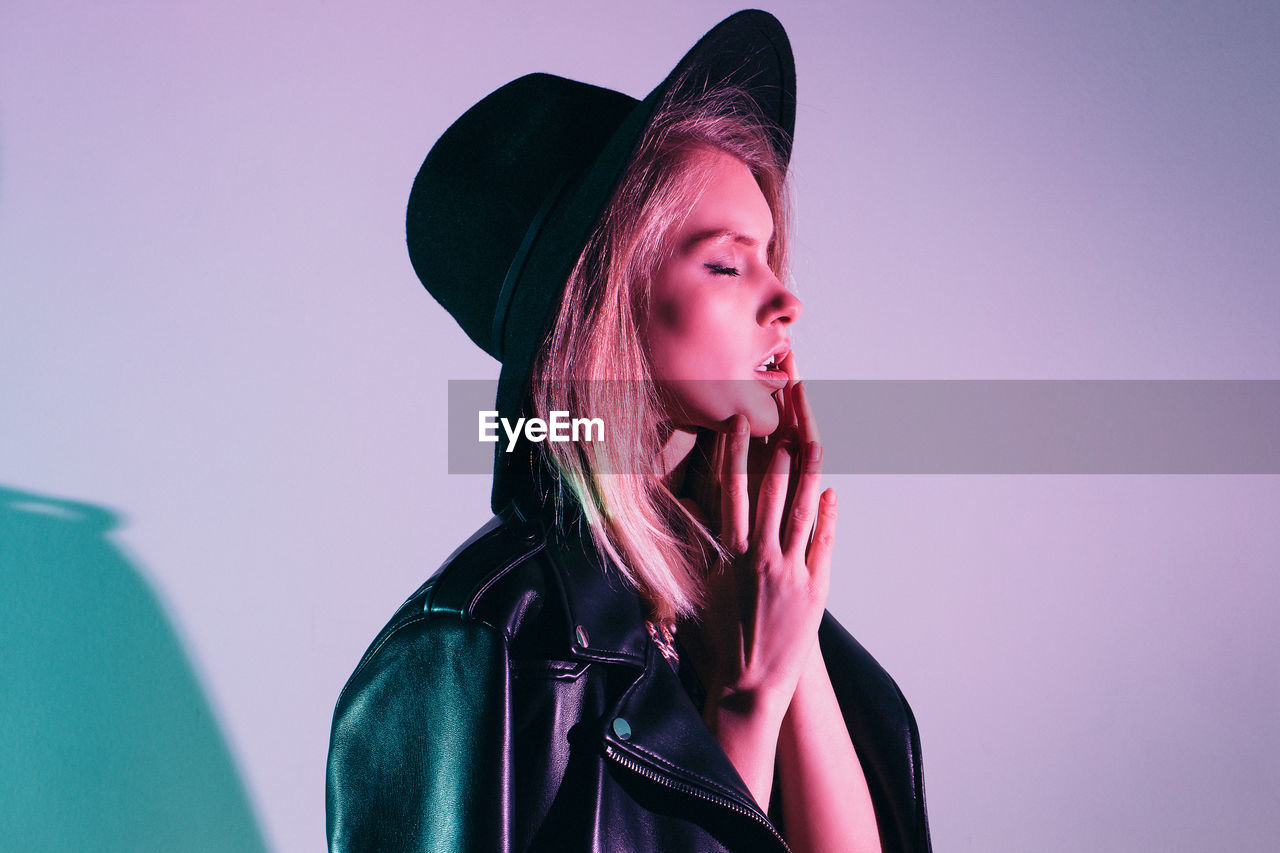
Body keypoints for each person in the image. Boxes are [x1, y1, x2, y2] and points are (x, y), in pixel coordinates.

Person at [327, 11, 932, 852]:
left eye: (771, 257)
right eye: (726, 262)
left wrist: (792, 645)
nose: (785, 300)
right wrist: (748, 705)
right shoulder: (474, 651)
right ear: (605, 306)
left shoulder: (768, 604)